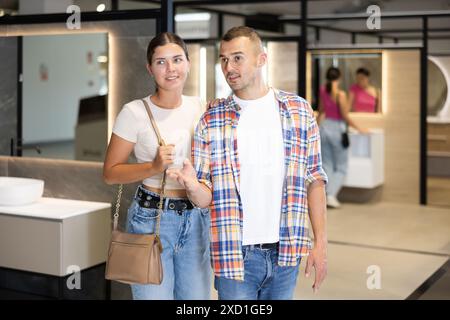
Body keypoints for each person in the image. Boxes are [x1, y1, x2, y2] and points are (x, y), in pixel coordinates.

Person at [168, 26, 329, 300]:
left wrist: (321, 243)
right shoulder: (212, 119)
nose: (229, 67)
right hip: (234, 255)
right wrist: (193, 187)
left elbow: (314, 179)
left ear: (261, 59)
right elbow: (205, 197)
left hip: (286, 252)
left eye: (238, 58)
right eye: (223, 59)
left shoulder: (298, 111)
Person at [102, 32, 211, 300]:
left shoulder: (202, 108)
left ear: (188, 62)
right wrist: (153, 166)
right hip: (150, 219)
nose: (170, 68)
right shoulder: (134, 112)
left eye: (177, 60)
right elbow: (110, 173)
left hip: (196, 219)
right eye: (161, 62)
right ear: (150, 69)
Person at [317, 67, 367, 208]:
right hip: (337, 130)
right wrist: (360, 129)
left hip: (324, 129)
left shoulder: (322, 90)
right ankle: (331, 195)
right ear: (339, 78)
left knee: (326, 165)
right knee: (341, 167)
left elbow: (321, 111)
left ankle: (325, 194)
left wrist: (315, 128)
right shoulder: (340, 94)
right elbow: (345, 116)